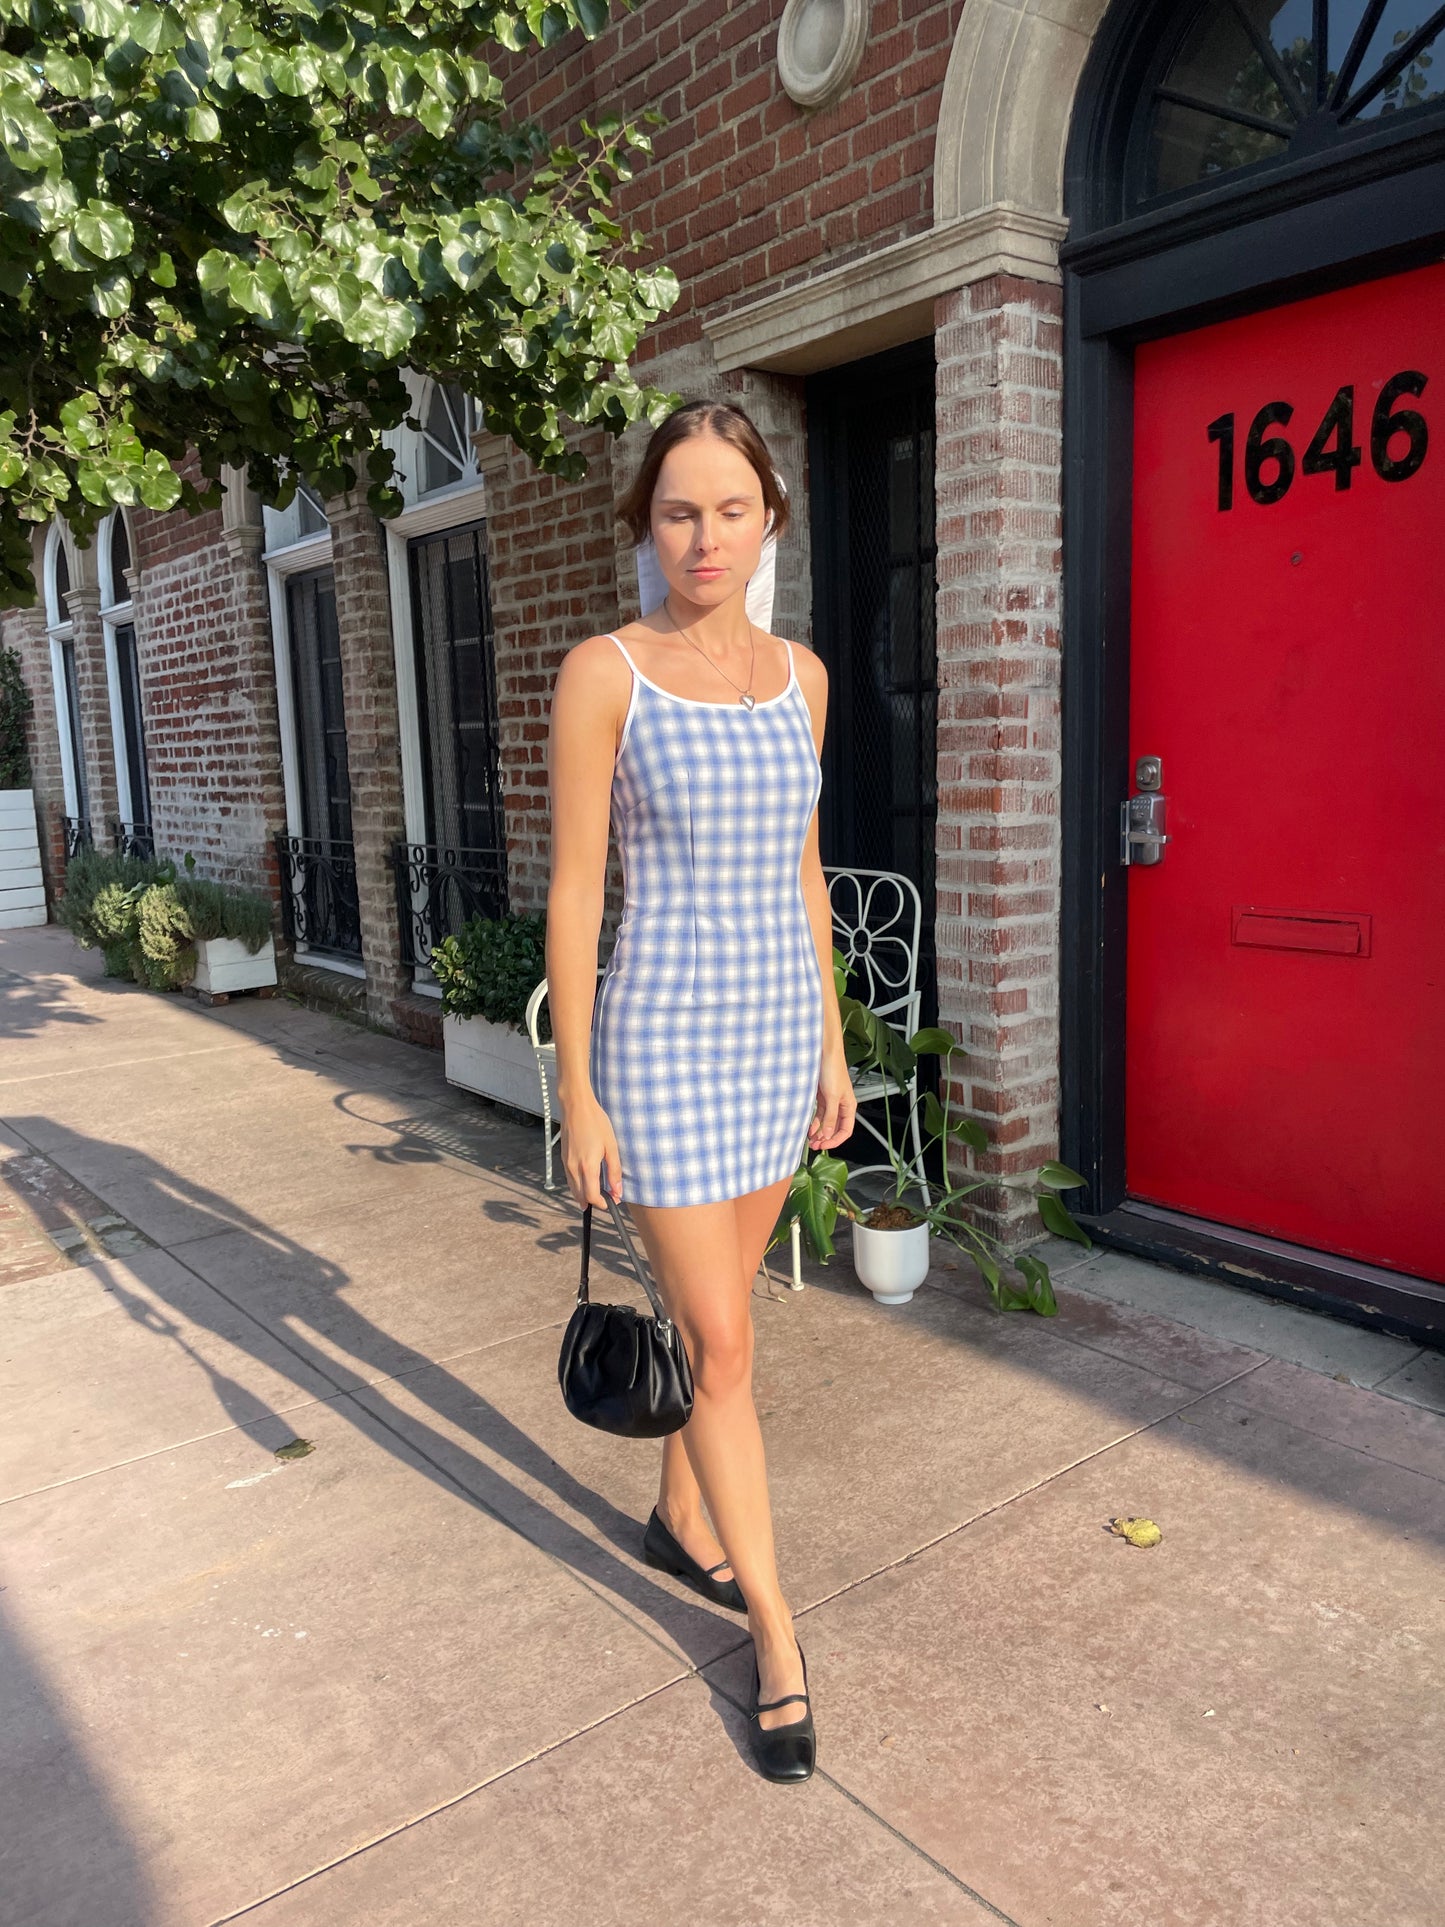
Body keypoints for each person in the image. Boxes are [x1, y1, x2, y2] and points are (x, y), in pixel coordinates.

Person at [545, 398, 857, 1782]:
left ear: (768, 517)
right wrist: (578, 1089)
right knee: (724, 1348)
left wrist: (836, 1047)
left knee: (710, 1333)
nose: (705, 535)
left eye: (730, 508)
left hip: (778, 1035)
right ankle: (776, 1636)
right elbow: (573, 887)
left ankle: (681, 1517)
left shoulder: (804, 678)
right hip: (662, 1043)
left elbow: (802, 873)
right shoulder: (604, 672)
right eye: (679, 510)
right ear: (646, 526)